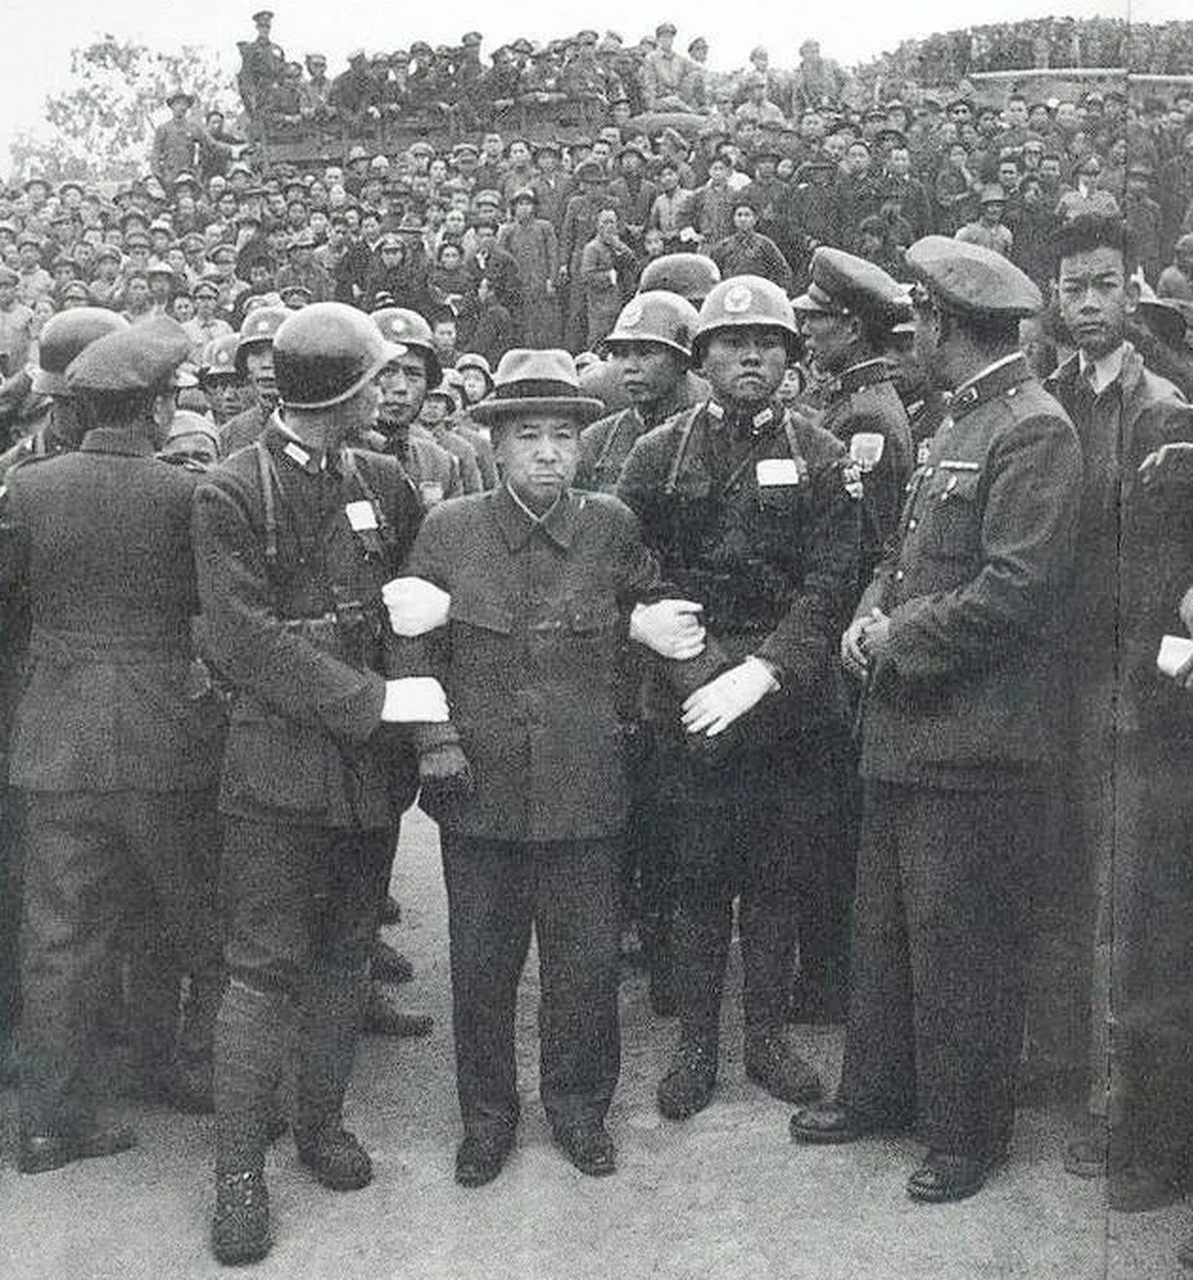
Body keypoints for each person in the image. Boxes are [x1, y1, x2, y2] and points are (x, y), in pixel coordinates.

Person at [790, 236, 1082, 1205]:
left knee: (962, 944)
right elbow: (907, 552)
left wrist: (889, 635)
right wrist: (868, 608)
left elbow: (1014, 589)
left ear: (951, 326)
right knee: (883, 930)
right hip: (911, 729)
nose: (908, 335)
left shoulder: (1030, 429)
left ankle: (964, 1132)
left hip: (977, 738)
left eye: (919, 321)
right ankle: (875, 1090)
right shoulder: (955, 418)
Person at [386, 346, 707, 1189]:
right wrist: (435, 746)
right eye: (527, 437)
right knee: (481, 967)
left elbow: (655, 614)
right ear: (494, 448)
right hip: (477, 789)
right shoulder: (449, 530)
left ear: (581, 446)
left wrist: (670, 663)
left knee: (584, 968)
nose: (547, 454)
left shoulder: (608, 526)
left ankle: (577, 1112)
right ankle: (486, 1120)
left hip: (584, 788)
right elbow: (409, 647)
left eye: (562, 438)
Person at [192, 302, 449, 1264]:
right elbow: (240, 640)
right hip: (275, 769)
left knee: (345, 952)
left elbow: (408, 610)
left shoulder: (384, 477)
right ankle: (237, 1177)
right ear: (337, 394)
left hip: (366, 775)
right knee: (261, 970)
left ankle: (321, 1125)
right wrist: (377, 702)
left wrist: (417, 696)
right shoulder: (229, 491)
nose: (391, 392)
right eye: (376, 381)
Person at [617, 276, 860, 1120]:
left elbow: (832, 584)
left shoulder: (824, 455)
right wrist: (655, 631)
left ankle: (764, 1038)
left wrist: (762, 672)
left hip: (786, 701)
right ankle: (695, 1047)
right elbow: (627, 563)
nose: (748, 356)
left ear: (791, 357)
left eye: (767, 342)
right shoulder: (657, 455)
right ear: (701, 358)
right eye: (729, 343)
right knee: (691, 878)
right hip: (687, 696)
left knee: (775, 876)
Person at [1, 317, 226, 1172]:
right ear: (160, 407)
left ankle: (50, 1125)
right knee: (192, 922)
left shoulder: (30, 489)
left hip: (55, 738)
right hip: (165, 735)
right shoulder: (187, 494)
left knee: (59, 938)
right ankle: (192, 1075)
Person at [1040, 213, 1193, 1210]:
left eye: (1102, 283)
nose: (1087, 301)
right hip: (1050, 679)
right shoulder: (1044, 399)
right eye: (1071, 286)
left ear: (1128, 290)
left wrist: (1144, 678)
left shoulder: (1162, 408)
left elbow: (1167, 569)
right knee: (1064, 890)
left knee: (1120, 907)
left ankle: (1117, 1106)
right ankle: (1069, 1079)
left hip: (1130, 686)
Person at [793, 246, 915, 584]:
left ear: (853, 329)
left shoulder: (864, 418)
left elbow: (861, 542)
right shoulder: (855, 399)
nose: (805, 328)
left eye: (816, 317)